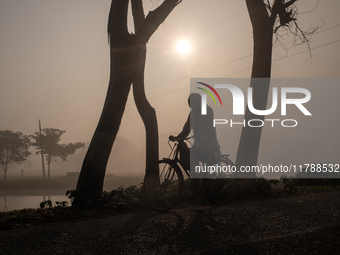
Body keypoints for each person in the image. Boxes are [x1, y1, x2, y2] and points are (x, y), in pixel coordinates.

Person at [170, 93, 221, 193]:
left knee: (195, 151)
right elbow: (186, 128)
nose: (193, 108)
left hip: (210, 140)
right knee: (191, 154)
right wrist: (178, 137)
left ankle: (198, 180)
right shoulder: (192, 113)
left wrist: (200, 136)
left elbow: (209, 127)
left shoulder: (208, 110)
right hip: (199, 141)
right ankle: (196, 178)